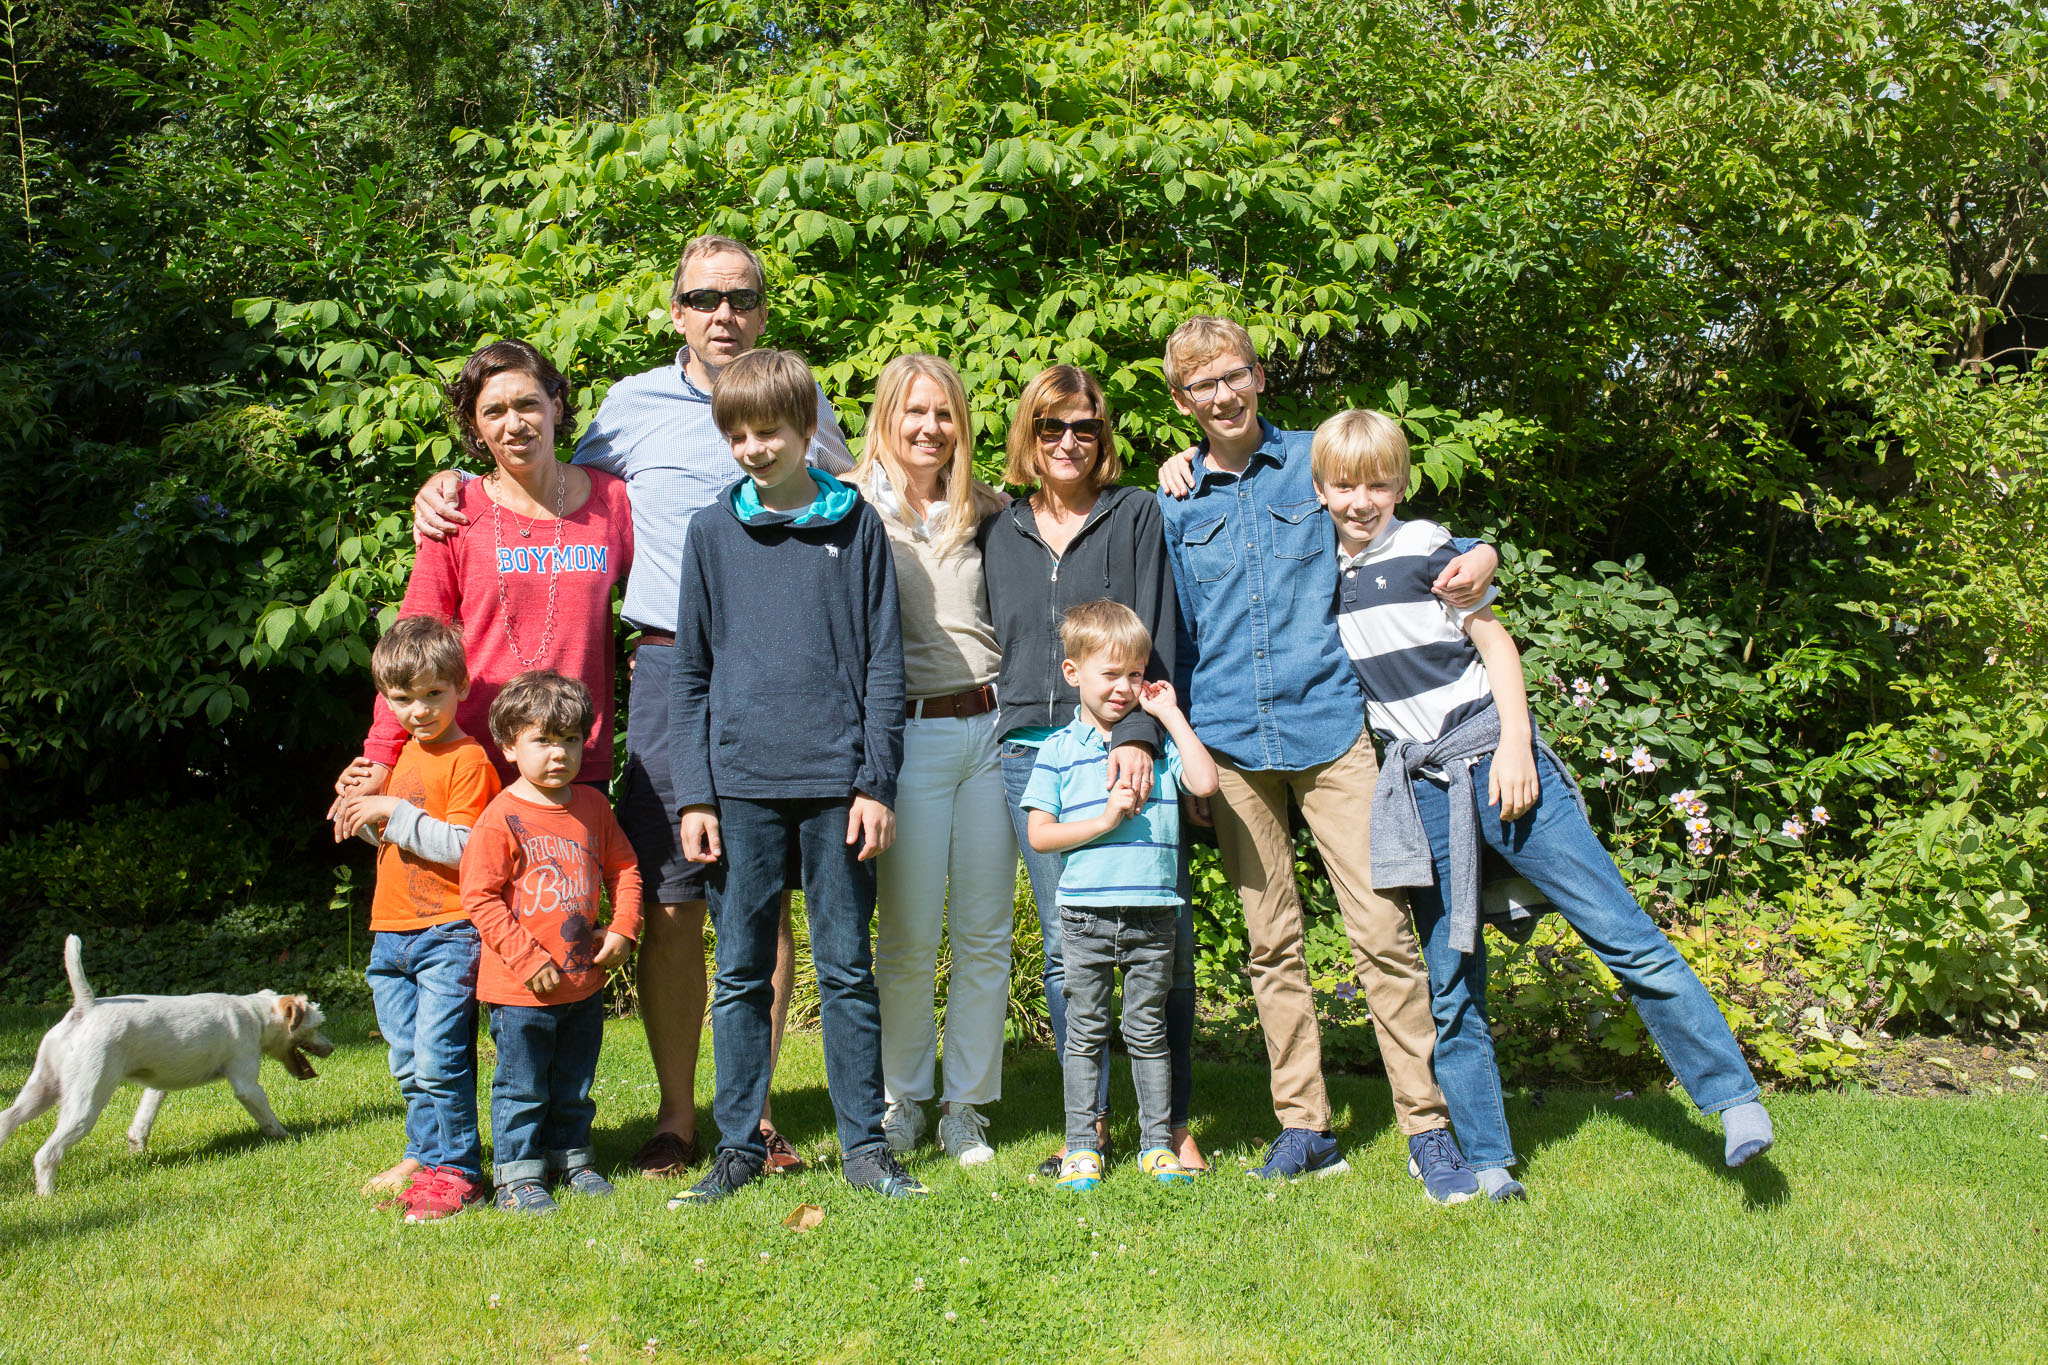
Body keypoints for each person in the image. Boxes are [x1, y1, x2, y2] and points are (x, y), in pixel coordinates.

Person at [409, 236, 847, 1177]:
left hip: (781, 672)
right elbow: (540, 487)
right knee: (675, 902)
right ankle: (679, 1118)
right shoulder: (630, 408)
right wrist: (448, 486)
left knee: (761, 902)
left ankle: (756, 1115)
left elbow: (854, 499)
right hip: (671, 668)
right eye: (705, 297)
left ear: (763, 310)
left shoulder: (800, 398)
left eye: (741, 297)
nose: (724, 313)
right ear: (677, 310)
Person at [1311, 410, 1775, 1197]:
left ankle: (1733, 1098)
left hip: (1498, 763)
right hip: (1424, 793)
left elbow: (1495, 643)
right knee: (1452, 983)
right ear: (1322, 489)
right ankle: (1489, 1158)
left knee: (1621, 932)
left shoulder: (1428, 547)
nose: (1362, 500)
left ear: (1401, 484)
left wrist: (1518, 747)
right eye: (1345, 485)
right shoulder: (1322, 573)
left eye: (1378, 484)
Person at [1153, 316, 1486, 1201]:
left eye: (1234, 375)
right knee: (1271, 943)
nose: (1223, 394)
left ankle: (1428, 1127)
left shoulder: (1314, 460)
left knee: (1382, 932)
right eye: (1202, 385)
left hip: (1333, 730)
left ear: (1259, 376)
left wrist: (1479, 551)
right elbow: (1177, 633)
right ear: (1182, 401)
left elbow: (1395, 520)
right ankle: (1307, 1125)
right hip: (1230, 742)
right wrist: (1188, 754)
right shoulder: (1176, 501)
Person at [665, 349, 924, 1204]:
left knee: (846, 969)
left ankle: (865, 1148)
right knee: (741, 971)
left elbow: (884, 664)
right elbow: (690, 673)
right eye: (736, 434)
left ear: (808, 428)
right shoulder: (711, 532)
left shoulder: (856, 527)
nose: (752, 447)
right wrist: (696, 793)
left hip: (838, 785)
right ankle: (738, 1145)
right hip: (739, 785)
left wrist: (876, 782)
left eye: (768, 431)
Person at [978, 364, 1207, 1177]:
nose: (1068, 441)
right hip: (1030, 753)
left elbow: (1157, 629)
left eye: (1084, 426)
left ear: (1102, 435)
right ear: (1030, 434)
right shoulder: (1000, 527)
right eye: (1052, 426)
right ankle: (1090, 1126)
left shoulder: (1134, 512)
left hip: (1122, 747)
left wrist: (1137, 735)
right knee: (1067, 943)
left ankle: (1171, 1123)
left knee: (1161, 934)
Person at [851, 355, 1015, 1167]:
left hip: (989, 730)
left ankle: (966, 1106)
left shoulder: (988, 508)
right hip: (907, 736)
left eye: (944, 413)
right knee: (909, 934)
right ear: (886, 415)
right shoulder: (850, 506)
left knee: (985, 931)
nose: (930, 428)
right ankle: (904, 1099)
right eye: (914, 411)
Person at [339, 339, 633, 794]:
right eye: (493, 411)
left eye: (528, 404)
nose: (514, 424)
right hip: (468, 757)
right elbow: (411, 643)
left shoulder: (611, 502)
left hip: (569, 754)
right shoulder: (454, 513)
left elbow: (666, 594)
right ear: (475, 427)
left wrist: (650, 646)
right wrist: (380, 753)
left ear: (556, 407)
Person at [1022, 602, 1219, 1191]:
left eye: (1134, 674)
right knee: (1084, 1033)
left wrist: (1170, 716)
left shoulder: (1158, 746)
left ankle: (1156, 1145)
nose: (1124, 687)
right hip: (1085, 914)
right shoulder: (1059, 748)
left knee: (1147, 1031)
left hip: (1153, 914)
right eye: (1110, 674)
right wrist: (1105, 821)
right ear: (1072, 672)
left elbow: (1205, 782)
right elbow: (1040, 834)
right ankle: (1083, 1147)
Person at [329, 615, 500, 1221]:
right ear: (386, 699)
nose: (419, 710)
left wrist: (391, 811)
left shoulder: (468, 759)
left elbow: (467, 846)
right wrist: (360, 813)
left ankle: (458, 1171)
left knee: (438, 1056)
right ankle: (427, 1159)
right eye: (403, 699)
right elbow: (393, 836)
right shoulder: (399, 757)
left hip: (448, 930)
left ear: (461, 687)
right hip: (391, 933)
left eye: (433, 693)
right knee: (407, 1061)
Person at [461, 670, 642, 1215]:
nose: (558, 752)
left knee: (574, 1081)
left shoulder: (592, 806)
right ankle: (517, 1175)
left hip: (582, 981)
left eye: (570, 739)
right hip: (521, 989)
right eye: (542, 739)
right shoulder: (501, 817)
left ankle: (571, 1159)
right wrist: (525, 957)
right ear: (509, 746)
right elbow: (479, 896)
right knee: (522, 1085)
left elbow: (625, 868)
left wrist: (624, 928)